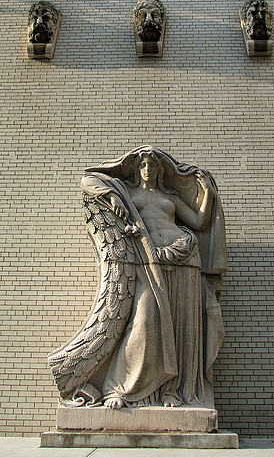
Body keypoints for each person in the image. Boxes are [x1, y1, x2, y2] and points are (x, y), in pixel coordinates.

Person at [48, 146, 228, 410]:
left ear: (160, 170)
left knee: (179, 327)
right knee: (143, 321)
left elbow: (199, 222)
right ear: (135, 169)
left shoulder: (171, 197)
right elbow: (88, 179)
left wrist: (208, 193)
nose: (148, 170)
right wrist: (113, 197)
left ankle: (171, 391)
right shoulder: (128, 193)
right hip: (147, 261)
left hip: (183, 259)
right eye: (143, 165)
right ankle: (123, 387)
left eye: (153, 165)